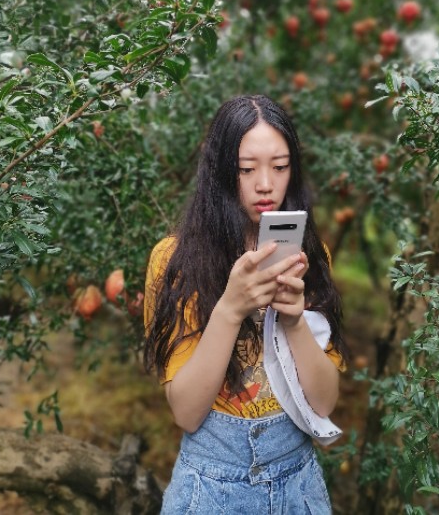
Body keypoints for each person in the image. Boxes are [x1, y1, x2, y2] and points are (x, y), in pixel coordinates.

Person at [144, 94, 348, 514]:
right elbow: (186, 412)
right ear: (221, 171)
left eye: (279, 166)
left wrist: (293, 322)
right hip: (210, 487)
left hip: (297, 483)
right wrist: (231, 308)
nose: (265, 184)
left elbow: (325, 403)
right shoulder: (175, 262)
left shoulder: (309, 256)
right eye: (246, 168)